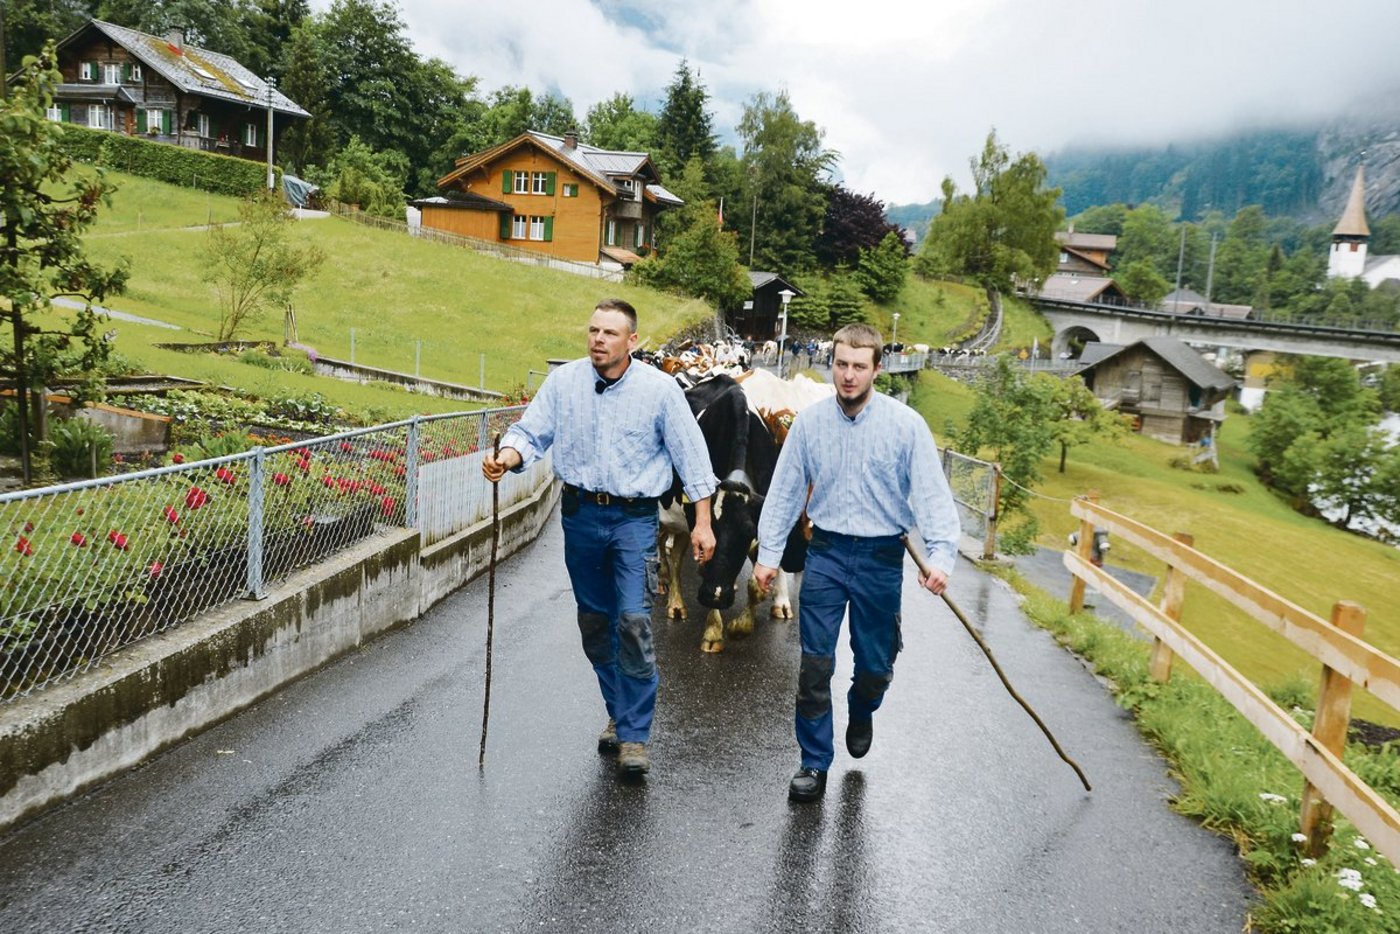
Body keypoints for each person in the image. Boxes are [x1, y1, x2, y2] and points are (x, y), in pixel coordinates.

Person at [482, 298, 717, 780]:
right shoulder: (565, 382)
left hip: (633, 520)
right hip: (580, 515)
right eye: (593, 330)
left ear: (632, 341)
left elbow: (693, 459)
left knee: (633, 621)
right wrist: (506, 457)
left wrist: (703, 522)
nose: (598, 340)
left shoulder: (660, 390)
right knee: (595, 623)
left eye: (609, 333)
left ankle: (633, 735)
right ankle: (619, 708)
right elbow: (531, 431)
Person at [753, 323, 961, 803]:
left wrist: (940, 558)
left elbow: (932, 498)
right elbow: (784, 492)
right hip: (824, 553)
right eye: (841, 364)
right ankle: (814, 761)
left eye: (859, 367)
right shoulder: (809, 424)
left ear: (877, 370)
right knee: (814, 664)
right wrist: (768, 556)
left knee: (875, 666)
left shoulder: (906, 426)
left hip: (880, 558)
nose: (848, 376)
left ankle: (862, 707)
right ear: (833, 365)